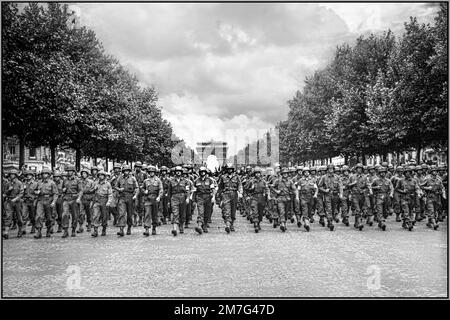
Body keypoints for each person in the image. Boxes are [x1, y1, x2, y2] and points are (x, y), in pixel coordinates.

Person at [217, 163, 243, 233]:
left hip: (234, 194)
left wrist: (240, 193)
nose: (230, 170)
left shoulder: (237, 177)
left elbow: (240, 185)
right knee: (227, 210)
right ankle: (227, 225)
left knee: (233, 210)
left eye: (231, 169)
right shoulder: (223, 177)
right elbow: (220, 187)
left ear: (233, 169)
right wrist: (219, 197)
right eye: (228, 169)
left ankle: (232, 224)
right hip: (226, 195)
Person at [114, 165, 139, 236]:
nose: (126, 172)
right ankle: (121, 229)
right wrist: (119, 189)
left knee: (129, 214)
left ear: (129, 171)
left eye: (127, 171)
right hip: (122, 196)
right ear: (123, 171)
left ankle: (129, 227)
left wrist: (135, 195)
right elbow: (115, 186)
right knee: (121, 213)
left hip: (130, 197)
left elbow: (137, 188)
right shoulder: (120, 178)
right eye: (125, 171)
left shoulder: (133, 178)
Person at [272, 167, 298, 232]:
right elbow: (271, 187)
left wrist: (296, 196)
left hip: (288, 199)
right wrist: (276, 191)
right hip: (280, 198)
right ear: (281, 174)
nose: (285, 175)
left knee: (286, 212)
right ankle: (282, 223)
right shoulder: (277, 181)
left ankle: (284, 222)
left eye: (286, 173)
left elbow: (294, 189)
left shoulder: (290, 181)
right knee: (281, 211)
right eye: (284, 173)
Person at [35, 167, 58, 238]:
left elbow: (55, 193)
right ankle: (38, 231)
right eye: (43, 173)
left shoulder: (52, 183)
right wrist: (36, 192)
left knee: (49, 217)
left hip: (49, 200)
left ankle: (48, 229)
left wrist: (53, 202)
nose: (44, 175)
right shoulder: (39, 182)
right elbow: (35, 190)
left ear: (48, 174)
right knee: (39, 216)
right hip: (41, 200)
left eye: (46, 173)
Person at [168, 166, 190, 236]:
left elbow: (187, 190)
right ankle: (175, 228)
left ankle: (181, 226)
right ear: (175, 172)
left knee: (182, 213)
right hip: (174, 197)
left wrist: (187, 198)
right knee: (175, 213)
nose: (178, 172)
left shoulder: (185, 181)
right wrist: (169, 201)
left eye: (179, 171)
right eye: (177, 171)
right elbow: (169, 192)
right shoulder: (171, 181)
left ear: (181, 172)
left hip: (182, 197)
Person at [193, 166, 216, 234]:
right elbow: (194, 191)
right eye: (201, 172)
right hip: (200, 197)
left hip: (208, 197)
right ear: (199, 173)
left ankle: (205, 225)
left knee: (207, 212)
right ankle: (199, 226)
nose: (202, 173)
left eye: (204, 172)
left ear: (205, 173)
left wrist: (213, 197)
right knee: (201, 212)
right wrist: (193, 200)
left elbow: (212, 189)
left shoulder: (210, 180)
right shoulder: (196, 181)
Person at [61, 165, 83, 238]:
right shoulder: (65, 180)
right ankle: (65, 230)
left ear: (74, 172)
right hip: (66, 198)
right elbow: (62, 190)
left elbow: (80, 191)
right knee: (65, 214)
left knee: (75, 215)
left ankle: (73, 229)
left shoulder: (78, 180)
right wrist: (63, 190)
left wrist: (79, 198)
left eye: (71, 171)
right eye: (68, 171)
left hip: (74, 198)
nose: (69, 172)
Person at [2, 169, 24, 239]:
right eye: (11, 174)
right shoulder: (8, 183)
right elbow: (4, 193)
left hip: (17, 201)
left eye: (13, 174)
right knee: (8, 216)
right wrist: (9, 190)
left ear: (16, 175)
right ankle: (6, 232)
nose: (11, 176)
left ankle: (20, 230)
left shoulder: (19, 183)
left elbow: (21, 193)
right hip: (9, 201)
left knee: (19, 217)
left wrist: (16, 199)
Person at [142, 165, 163, 236]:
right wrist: (144, 191)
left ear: (155, 172)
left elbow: (161, 189)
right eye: (150, 172)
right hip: (148, 199)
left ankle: (154, 227)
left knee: (154, 214)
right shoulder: (146, 181)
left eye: (152, 172)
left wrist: (159, 197)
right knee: (147, 213)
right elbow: (142, 188)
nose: (151, 173)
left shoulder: (158, 180)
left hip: (155, 199)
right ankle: (147, 229)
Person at [91, 170, 113, 237]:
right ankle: (95, 231)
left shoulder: (108, 184)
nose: (101, 176)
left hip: (104, 200)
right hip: (97, 200)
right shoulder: (95, 183)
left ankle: (104, 228)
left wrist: (109, 202)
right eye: (99, 175)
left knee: (104, 216)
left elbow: (110, 194)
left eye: (102, 175)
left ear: (104, 176)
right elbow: (91, 191)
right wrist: (94, 189)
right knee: (95, 215)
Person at [370, 167, 393, 231]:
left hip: (386, 196)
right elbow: (370, 187)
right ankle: (382, 222)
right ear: (379, 173)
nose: (382, 174)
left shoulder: (388, 181)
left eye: (384, 172)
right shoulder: (375, 180)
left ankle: (380, 222)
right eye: (381, 172)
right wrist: (375, 187)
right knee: (379, 210)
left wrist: (391, 194)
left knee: (385, 212)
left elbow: (391, 188)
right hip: (379, 196)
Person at [247, 167, 269, 233]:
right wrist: (251, 188)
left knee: (261, 211)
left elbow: (266, 189)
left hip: (262, 197)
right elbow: (246, 188)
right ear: (254, 174)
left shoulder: (263, 181)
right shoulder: (251, 181)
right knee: (255, 211)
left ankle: (258, 222)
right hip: (254, 197)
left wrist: (266, 194)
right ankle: (255, 223)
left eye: (258, 173)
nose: (257, 175)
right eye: (256, 173)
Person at [296, 167, 317, 232]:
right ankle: (306, 222)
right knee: (304, 209)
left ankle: (307, 219)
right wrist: (297, 196)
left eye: (307, 172)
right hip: (303, 197)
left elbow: (316, 188)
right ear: (303, 173)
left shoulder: (313, 180)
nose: (306, 173)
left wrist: (315, 194)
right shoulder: (300, 180)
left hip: (311, 197)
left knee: (310, 210)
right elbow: (298, 189)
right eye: (305, 172)